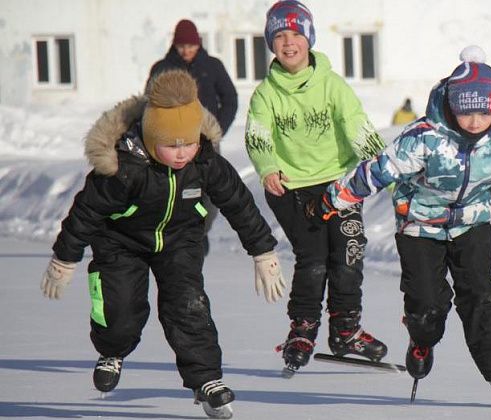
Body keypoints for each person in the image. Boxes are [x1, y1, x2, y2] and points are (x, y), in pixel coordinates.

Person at [309, 45, 491, 402]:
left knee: (481, 296)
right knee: (428, 308)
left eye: (485, 112)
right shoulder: (424, 138)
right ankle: (421, 338)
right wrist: (333, 199)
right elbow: (376, 170)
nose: (476, 121)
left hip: (472, 225)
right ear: (452, 103)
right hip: (419, 227)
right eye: (466, 112)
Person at [40, 69, 286, 419]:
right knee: (119, 312)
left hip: (180, 240)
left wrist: (263, 251)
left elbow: (239, 203)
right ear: (152, 139)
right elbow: (86, 212)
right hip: (120, 242)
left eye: (187, 142)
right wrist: (65, 258)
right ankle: (112, 350)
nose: (182, 153)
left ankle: (206, 379)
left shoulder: (205, 161)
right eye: (171, 146)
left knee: (189, 306)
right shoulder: (124, 168)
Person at [244, 0, 389, 375]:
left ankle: (345, 328)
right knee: (313, 258)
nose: (288, 43)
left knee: (349, 252)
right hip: (292, 188)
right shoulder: (266, 94)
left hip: (339, 184)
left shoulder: (331, 84)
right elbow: (258, 136)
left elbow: (357, 125)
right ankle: (303, 328)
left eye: (295, 34)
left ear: (308, 38)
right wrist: (268, 168)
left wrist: (387, 169)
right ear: (271, 44)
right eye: (279, 36)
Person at [148, 19, 239, 255]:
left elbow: (230, 99)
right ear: (174, 45)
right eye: (182, 46)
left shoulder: (213, 66)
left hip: (206, 142)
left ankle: (200, 230)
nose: (187, 51)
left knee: (210, 193)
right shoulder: (163, 68)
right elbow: (148, 104)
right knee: (176, 191)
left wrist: (217, 129)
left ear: (198, 43)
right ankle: (180, 235)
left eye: (191, 45)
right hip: (171, 144)